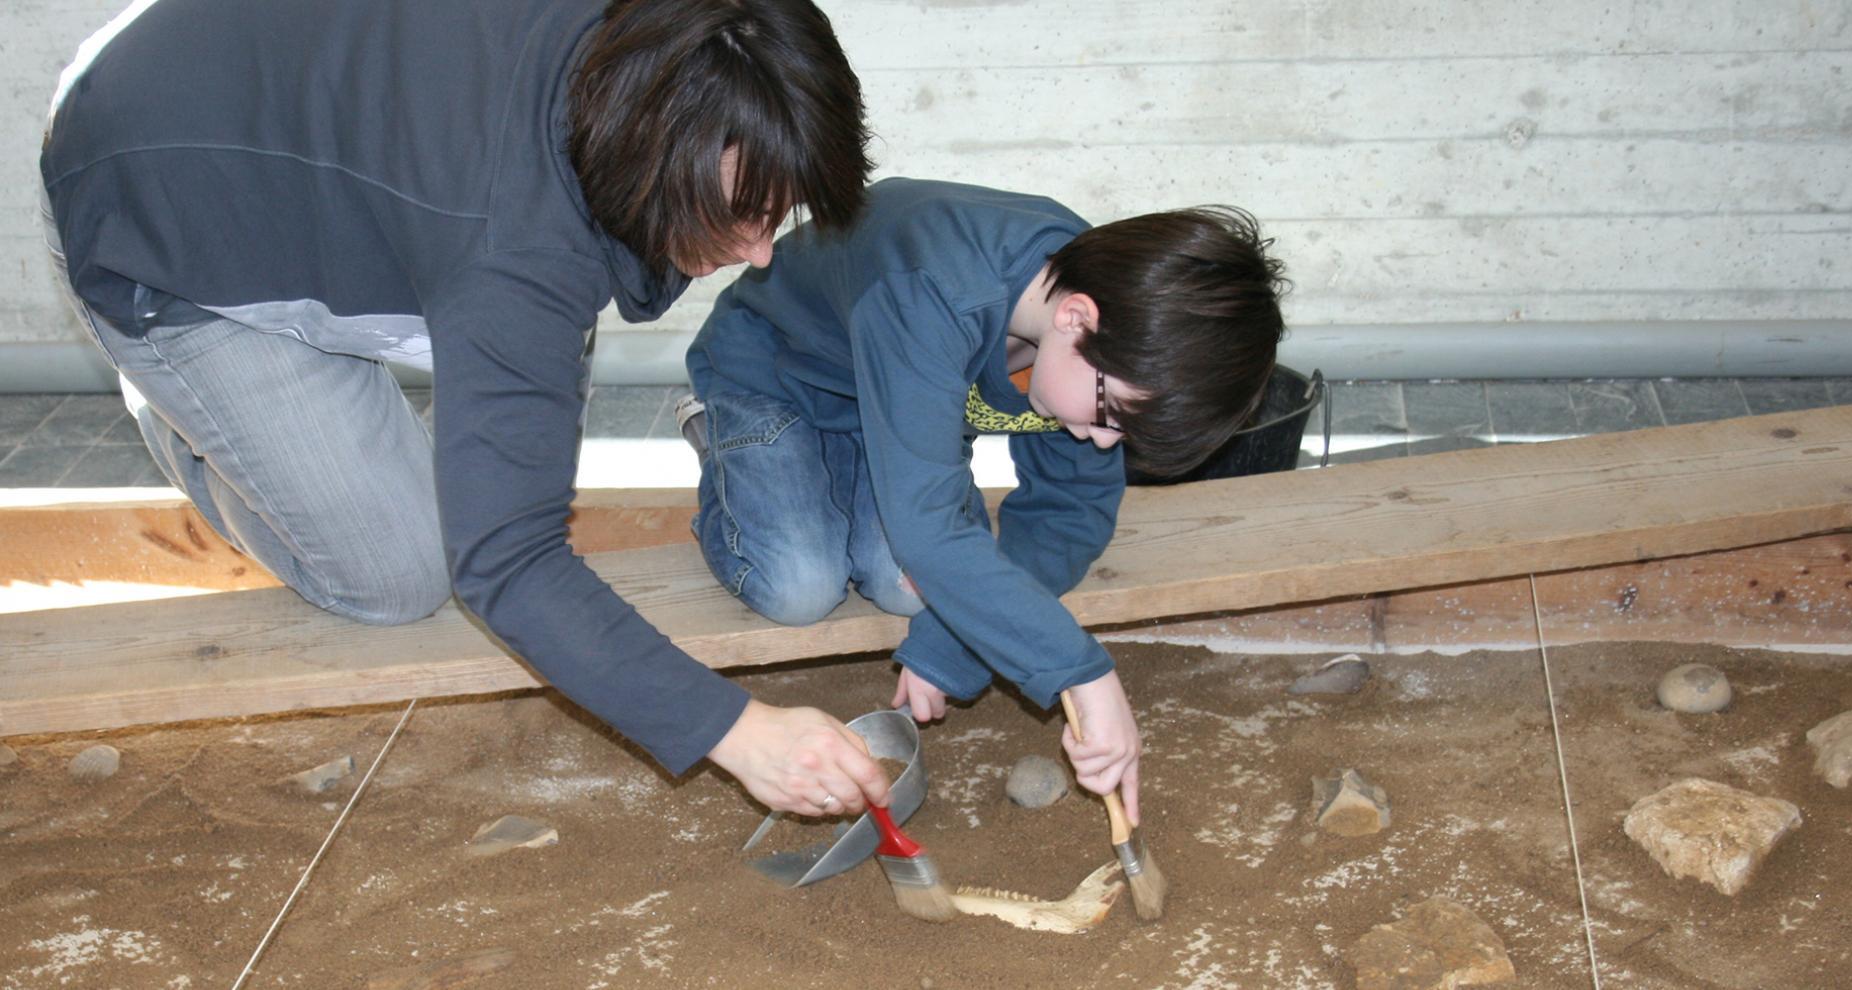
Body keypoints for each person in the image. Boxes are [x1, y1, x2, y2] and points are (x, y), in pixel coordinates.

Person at [40, 0, 896, 819]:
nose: (758, 252)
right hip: (151, 207)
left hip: (285, 122)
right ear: (650, 146)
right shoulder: (515, 246)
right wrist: (739, 732)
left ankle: (303, 415)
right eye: (738, 214)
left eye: (776, 214)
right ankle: (190, 410)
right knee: (403, 573)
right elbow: (508, 564)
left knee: (505, 423)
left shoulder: (652, 46)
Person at [683, 178, 1288, 821]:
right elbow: (931, 531)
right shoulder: (934, 289)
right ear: (1076, 319)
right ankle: (717, 444)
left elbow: (1067, 516)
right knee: (799, 586)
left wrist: (953, 641)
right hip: (772, 377)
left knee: (904, 587)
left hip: (885, 413)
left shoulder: (1110, 334)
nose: (1105, 441)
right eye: (1112, 414)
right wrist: (1084, 674)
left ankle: (869, 473)